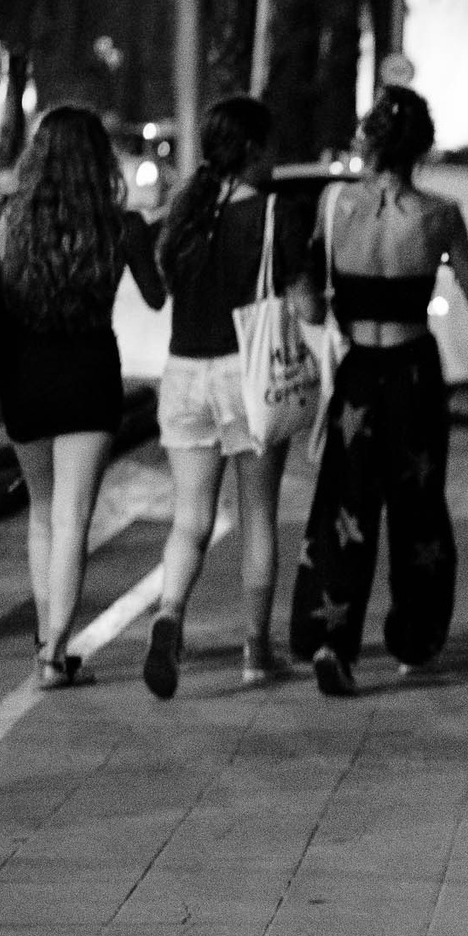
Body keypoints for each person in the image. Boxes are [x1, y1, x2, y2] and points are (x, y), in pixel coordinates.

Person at [287, 86, 468, 698]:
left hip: (356, 375)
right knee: (418, 506)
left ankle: (332, 640)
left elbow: (310, 305)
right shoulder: (441, 213)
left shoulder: (334, 204)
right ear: (423, 148)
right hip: (413, 374)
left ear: (368, 142)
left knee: (344, 507)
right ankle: (415, 637)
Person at [0, 104, 167, 688]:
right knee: (73, 516)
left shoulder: (12, 218)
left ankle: (50, 645)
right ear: (99, 160)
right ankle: (53, 655)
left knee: (42, 512)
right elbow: (157, 296)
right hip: (89, 368)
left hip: (25, 370)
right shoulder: (123, 226)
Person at [144, 94, 314, 697]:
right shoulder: (275, 213)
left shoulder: (185, 214)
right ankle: (255, 650)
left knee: (190, 518)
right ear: (251, 149)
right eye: (270, 144)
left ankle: (169, 615)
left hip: (185, 373)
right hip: (250, 374)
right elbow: (307, 303)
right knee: (257, 517)